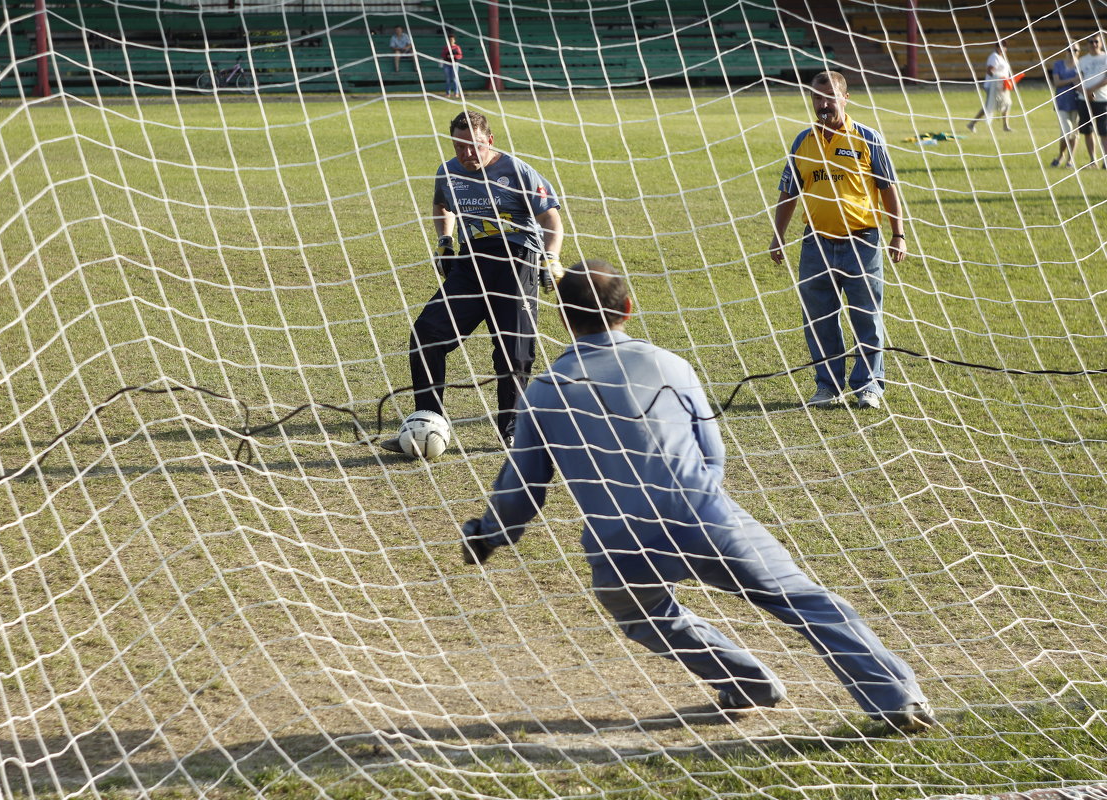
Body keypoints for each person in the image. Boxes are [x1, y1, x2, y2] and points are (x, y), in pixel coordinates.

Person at [460, 259, 935, 732]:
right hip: (704, 514)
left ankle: (746, 682)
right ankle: (896, 699)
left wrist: (488, 535)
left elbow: (522, 490)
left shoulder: (543, 392)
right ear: (629, 306)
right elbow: (713, 456)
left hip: (621, 542)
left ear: (563, 319)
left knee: (643, 614)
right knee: (806, 601)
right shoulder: (671, 364)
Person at [381, 111, 563, 453]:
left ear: (489, 141)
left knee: (514, 353)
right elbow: (441, 205)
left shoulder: (516, 170)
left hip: (516, 261)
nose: (467, 153)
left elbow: (550, 216)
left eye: (475, 146)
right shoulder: (448, 172)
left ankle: (512, 430)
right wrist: (445, 241)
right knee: (427, 335)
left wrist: (550, 257)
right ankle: (427, 421)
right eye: (459, 146)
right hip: (472, 261)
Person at [769, 71, 906, 410]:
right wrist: (778, 235)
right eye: (817, 98)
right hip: (816, 244)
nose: (823, 104)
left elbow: (888, 188)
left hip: (862, 242)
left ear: (845, 98)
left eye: (829, 97)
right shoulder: (803, 141)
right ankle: (827, 386)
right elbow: (789, 191)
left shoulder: (868, 138)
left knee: (866, 316)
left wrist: (898, 234)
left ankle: (869, 385)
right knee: (819, 319)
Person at [966, 41, 1012, 133]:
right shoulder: (994, 57)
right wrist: (999, 79)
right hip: (993, 86)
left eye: (1004, 47)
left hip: (1002, 85)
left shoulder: (1001, 58)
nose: (1003, 49)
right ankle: (972, 124)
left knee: (1007, 103)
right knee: (989, 107)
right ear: (997, 47)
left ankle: (1005, 125)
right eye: (1001, 47)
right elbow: (990, 71)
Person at [1077, 33, 1107, 169]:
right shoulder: (1082, 60)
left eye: (1096, 41)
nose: (1094, 44)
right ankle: (1093, 161)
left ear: (1101, 43)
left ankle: (1106, 161)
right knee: (1087, 131)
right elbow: (1077, 79)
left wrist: (1091, 90)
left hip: (1102, 99)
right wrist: (1084, 92)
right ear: (1087, 44)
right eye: (1091, 42)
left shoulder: (1106, 58)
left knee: (1104, 131)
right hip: (1084, 100)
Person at [1049, 42, 1081, 168]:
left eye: (1075, 50)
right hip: (1061, 102)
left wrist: (1069, 82)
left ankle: (1070, 159)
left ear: (1079, 52)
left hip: (1077, 102)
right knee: (1066, 131)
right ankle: (1061, 155)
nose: (1072, 52)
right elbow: (1057, 82)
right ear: (1065, 51)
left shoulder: (1081, 65)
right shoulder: (1058, 64)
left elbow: (1080, 82)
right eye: (1069, 49)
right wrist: (1073, 80)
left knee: (1074, 132)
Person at [441, 33, 463, 98]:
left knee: (455, 79)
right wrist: (447, 56)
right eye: (449, 40)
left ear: (454, 40)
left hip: (455, 64)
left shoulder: (457, 47)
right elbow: (442, 55)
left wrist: (454, 56)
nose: (451, 41)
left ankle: (456, 93)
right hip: (447, 64)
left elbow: (460, 56)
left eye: (452, 40)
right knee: (447, 79)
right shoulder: (446, 48)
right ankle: (448, 93)